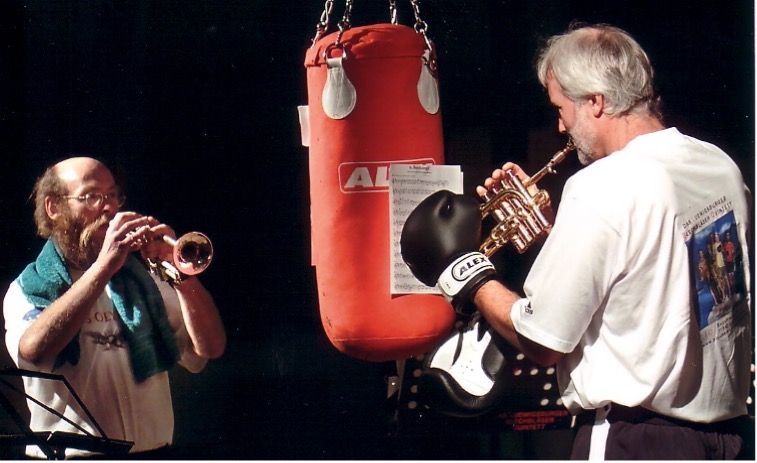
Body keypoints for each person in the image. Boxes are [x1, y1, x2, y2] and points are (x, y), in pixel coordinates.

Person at [401, 24, 752, 459]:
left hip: (634, 439)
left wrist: (467, 271)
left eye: (561, 107)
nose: (561, 124)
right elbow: (661, 270)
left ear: (595, 102)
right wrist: (559, 235)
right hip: (729, 439)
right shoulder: (719, 166)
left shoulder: (600, 186)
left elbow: (543, 340)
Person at [3, 157, 227, 459]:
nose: (109, 207)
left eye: (113, 195)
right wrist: (105, 265)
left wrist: (180, 274)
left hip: (153, 454)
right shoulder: (26, 288)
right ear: (54, 208)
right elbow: (34, 351)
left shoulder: (145, 280)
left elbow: (210, 348)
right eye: (91, 196)